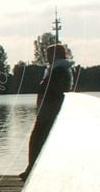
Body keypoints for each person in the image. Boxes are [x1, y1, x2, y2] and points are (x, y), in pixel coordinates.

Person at [19, 43, 74, 180]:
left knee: (37, 140)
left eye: (49, 54)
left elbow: (57, 90)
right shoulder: (59, 69)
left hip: (49, 112)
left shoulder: (59, 70)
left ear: (56, 55)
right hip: (48, 111)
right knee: (39, 140)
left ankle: (32, 170)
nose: (46, 57)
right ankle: (33, 169)